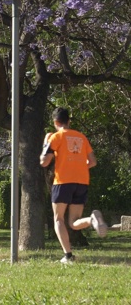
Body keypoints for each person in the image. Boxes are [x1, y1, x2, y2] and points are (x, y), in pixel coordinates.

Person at [40, 107, 108, 264]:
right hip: (82, 181)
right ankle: (91, 220)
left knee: (59, 219)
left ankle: (68, 256)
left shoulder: (55, 137)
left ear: (55, 122)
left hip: (63, 182)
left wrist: (45, 143)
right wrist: (78, 166)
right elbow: (92, 162)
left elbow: (44, 162)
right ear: (68, 121)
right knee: (74, 222)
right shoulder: (82, 137)